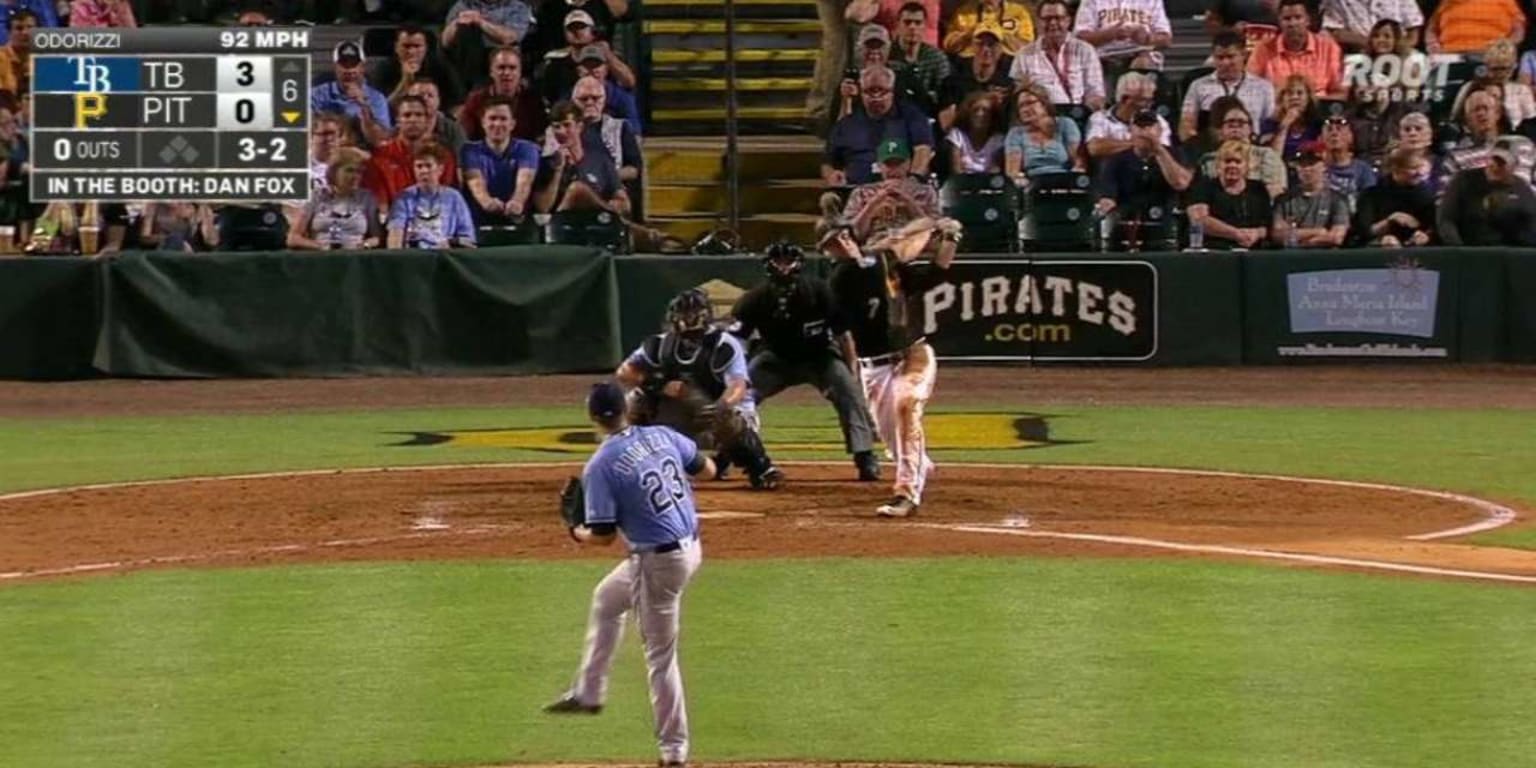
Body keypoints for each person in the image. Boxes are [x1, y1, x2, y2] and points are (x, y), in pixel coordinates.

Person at [543, 380, 711, 768]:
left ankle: (674, 752)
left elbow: (601, 538)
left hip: (659, 565)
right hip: (691, 547)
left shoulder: (601, 465)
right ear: (627, 408)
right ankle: (589, 692)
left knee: (660, 657)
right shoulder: (662, 435)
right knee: (607, 599)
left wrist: (574, 531)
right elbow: (708, 468)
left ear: (592, 418)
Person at [822, 215, 957, 517]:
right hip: (874, 367)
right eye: (834, 242)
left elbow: (937, 272)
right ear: (827, 251)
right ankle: (917, 465)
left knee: (906, 407)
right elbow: (899, 246)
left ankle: (906, 494)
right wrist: (930, 229)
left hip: (913, 354)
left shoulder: (886, 265)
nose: (841, 244)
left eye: (844, 237)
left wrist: (948, 237)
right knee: (891, 437)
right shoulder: (842, 278)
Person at [729, 242, 881, 482]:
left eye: (788, 261)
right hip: (775, 359)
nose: (783, 267)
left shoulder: (820, 291)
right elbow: (735, 341)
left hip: (819, 357)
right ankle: (731, 453)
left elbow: (844, 335)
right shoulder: (755, 298)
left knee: (848, 391)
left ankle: (865, 456)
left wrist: (852, 371)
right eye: (778, 261)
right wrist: (736, 378)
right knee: (737, 398)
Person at [616, 289, 781, 490]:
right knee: (635, 398)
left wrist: (722, 404)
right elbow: (625, 372)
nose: (686, 322)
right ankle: (638, 459)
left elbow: (738, 386)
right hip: (679, 415)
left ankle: (759, 467)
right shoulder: (659, 344)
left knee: (726, 413)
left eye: (690, 316)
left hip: (717, 414)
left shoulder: (723, 344)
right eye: (682, 316)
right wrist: (658, 384)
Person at [1438, 135, 1536, 246]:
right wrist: (1460, 251)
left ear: (1514, 166)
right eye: (1492, 158)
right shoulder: (1464, 180)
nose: (1494, 165)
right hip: (1469, 252)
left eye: (1501, 162)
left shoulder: (1521, 188)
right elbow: (1446, 220)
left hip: (1507, 255)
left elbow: (1531, 228)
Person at [1179, 31, 1276, 142]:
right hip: (1210, 150)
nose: (1225, 63)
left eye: (1230, 57)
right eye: (1220, 58)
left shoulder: (1263, 87)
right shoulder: (1198, 86)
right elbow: (1186, 125)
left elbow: (1270, 126)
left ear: (1243, 55)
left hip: (1253, 149)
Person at [1010, 0, 1106, 110]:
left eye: (1058, 18)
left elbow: (1096, 93)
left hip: (1079, 114)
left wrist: (1086, 110)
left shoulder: (1086, 50)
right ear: (1038, 22)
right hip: (1040, 116)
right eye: (1047, 19)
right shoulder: (1023, 55)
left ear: (1068, 21)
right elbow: (1017, 95)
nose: (1052, 23)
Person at [843, 138, 941, 240]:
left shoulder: (925, 192)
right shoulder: (862, 192)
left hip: (913, 245)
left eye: (898, 164)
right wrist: (874, 203)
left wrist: (908, 202)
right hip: (872, 245)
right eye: (888, 164)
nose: (894, 170)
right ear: (880, 166)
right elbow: (854, 234)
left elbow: (935, 233)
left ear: (908, 164)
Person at [460, 96, 539, 223]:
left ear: (512, 124)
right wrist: (487, 202)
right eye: (492, 118)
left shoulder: (528, 149)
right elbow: (475, 182)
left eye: (503, 119)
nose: (497, 124)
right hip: (478, 223)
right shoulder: (469, 150)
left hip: (518, 222)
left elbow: (524, 182)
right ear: (483, 122)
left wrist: (517, 202)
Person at [289, 148, 383, 250]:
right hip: (321, 256)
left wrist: (365, 245)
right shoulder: (316, 196)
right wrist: (321, 247)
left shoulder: (367, 198)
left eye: (359, 172)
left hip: (354, 257)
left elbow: (377, 238)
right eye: (349, 170)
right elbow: (293, 238)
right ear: (334, 172)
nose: (356, 176)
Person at [1247, 0, 1344, 98]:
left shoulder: (1329, 48)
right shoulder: (1263, 49)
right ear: (1279, 22)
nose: (1292, 24)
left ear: (1308, 20)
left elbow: (1338, 92)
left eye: (1298, 17)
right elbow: (1250, 88)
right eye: (1287, 19)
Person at [386, 144, 477, 248]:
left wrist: (451, 243)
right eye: (419, 166)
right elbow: (395, 234)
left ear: (440, 169)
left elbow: (469, 239)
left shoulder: (454, 198)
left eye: (428, 166)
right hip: (413, 257)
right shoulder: (404, 198)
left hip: (445, 257)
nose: (423, 171)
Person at [1188, 139, 1273, 249]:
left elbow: (1268, 226)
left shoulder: (1258, 189)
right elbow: (1199, 220)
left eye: (1238, 162)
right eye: (1227, 161)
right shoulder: (1204, 186)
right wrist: (1235, 234)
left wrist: (1256, 233)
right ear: (1218, 165)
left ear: (1247, 166)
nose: (1232, 165)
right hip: (1215, 251)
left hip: (1253, 251)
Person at [310, 40, 393, 147]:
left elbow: (380, 139)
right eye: (344, 64)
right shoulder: (316, 94)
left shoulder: (376, 98)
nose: (349, 70)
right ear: (335, 67)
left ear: (362, 67)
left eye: (353, 64)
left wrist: (364, 106)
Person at [1351, 145, 1435, 246]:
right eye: (1413, 168)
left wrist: (1425, 235)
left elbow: (1432, 227)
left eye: (1421, 167)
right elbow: (1364, 232)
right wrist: (1390, 220)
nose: (1419, 173)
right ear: (1396, 169)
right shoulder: (1371, 195)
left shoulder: (1426, 195)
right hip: (1377, 248)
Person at [1272, 144, 1350, 248]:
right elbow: (1277, 234)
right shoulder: (1283, 200)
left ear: (1324, 166)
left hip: (1326, 257)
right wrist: (1319, 232)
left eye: (1311, 163)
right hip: (1291, 258)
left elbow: (1336, 237)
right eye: (1302, 164)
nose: (1306, 169)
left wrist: (1301, 241)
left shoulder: (1337, 199)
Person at [1085, 71, 1169, 159]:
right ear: (1124, 99)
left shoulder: (1157, 120)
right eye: (1144, 100)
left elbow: (1163, 150)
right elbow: (1095, 148)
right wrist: (1140, 144)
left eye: (1150, 100)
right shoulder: (1099, 118)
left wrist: (1115, 145)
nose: (1149, 105)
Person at [1071, 0, 1172, 73]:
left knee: (1143, 64)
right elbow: (1079, 39)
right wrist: (1108, 35)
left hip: (1140, 55)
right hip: (1103, 59)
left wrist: (1147, 38)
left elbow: (1166, 39)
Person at [1004, 83, 1083, 177]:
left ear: (1044, 104)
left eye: (1029, 103)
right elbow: (1012, 171)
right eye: (1021, 106)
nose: (1025, 110)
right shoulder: (1016, 133)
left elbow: (1078, 161)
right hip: (1031, 184)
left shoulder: (1065, 124)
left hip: (1064, 179)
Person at [942, 0, 1034, 59]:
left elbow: (1028, 49)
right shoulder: (964, 11)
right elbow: (949, 46)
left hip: (1006, 62)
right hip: (969, 61)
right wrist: (970, 34)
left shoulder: (1018, 12)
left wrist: (1000, 33)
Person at [1321, 0, 1422, 52]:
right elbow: (1334, 31)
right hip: (1359, 52)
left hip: (1398, 51)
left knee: (1416, 60)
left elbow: (1413, 34)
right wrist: (1371, 43)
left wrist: (1394, 48)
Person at [946, 91, 1006, 173]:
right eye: (975, 110)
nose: (980, 114)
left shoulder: (998, 139)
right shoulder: (957, 135)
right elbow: (956, 169)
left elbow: (995, 169)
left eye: (985, 110)